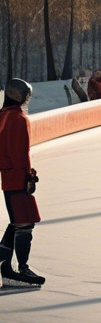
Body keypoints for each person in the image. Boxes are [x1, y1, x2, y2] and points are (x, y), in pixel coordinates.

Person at [1, 79, 44, 288]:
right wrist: (28, 177)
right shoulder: (18, 118)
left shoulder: (3, 116)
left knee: (16, 221)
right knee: (25, 222)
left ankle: (5, 265)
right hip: (17, 177)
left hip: (8, 177)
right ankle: (21, 268)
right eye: (26, 95)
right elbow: (20, 152)